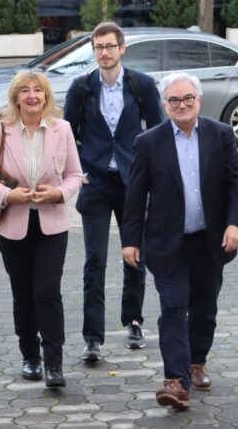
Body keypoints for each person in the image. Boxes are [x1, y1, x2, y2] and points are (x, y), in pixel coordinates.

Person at [121, 73, 238, 411]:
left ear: (199, 100)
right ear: (164, 104)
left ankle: (197, 362)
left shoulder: (220, 135)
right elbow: (135, 195)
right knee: (174, 306)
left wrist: (236, 224)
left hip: (210, 240)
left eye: (188, 98)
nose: (182, 105)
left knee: (204, 308)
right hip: (167, 243)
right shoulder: (148, 142)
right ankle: (175, 381)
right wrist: (130, 240)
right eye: (174, 100)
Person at [0, 70, 84, 388]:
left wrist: (59, 193)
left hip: (52, 224)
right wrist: (9, 196)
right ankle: (30, 357)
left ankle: (54, 364)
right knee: (23, 293)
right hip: (12, 225)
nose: (32, 96)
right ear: (15, 97)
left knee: (48, 291)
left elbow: (75, 174)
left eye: (38, 90)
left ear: (47, 97)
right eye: (25, 91)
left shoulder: (62, 128)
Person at [63, 21, 163, 362]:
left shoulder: (141, 85)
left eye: (109, 46)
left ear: (122, 49)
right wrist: (78, 172)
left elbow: (158, 133)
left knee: (135, 256)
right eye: (98, 47)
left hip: (132, 183)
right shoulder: (81, 87)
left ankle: (133, 321)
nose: (104, 53)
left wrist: (151, 178)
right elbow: (67, 136)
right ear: (93, 51)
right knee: (95, 261)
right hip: (95, 183)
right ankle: (92, 337)